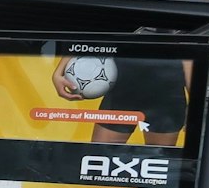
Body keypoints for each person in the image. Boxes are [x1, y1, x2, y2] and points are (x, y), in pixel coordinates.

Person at [52, 55, 191, 147]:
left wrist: (196, 98)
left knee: (158, 168)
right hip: (123, 81)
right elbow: (95, 24)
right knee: (98, 162)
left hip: (166, 85)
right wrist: (60, 69)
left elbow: (189, 41)